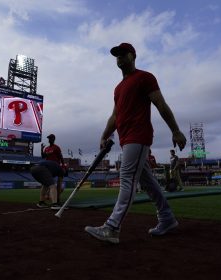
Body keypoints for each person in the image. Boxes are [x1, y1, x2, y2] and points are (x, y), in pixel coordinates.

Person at [84, 42, 187, 244]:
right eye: (117, 55)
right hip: (126, 138)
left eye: (123, 54)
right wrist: (105, 135)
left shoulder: (145, 77)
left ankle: (112, 227)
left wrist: (175, 130)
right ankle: (167, 218)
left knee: (127, 177)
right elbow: (115, 116)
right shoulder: (118, 88)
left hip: (138, 136)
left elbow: (160, 103)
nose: (119, 57)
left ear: (133, 56)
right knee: (147, 182)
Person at [41, 134, 65, 203]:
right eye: (48, 138)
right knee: (47, 183)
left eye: (50, 138)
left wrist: (63, 166)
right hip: (49, 167)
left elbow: (61, 157)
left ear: (54, 139)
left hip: (56, 167)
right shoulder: (47, 148)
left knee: (59, 183)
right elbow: (43, 157)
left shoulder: (56, 147)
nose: (49, 139)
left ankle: (58, 199)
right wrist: (41, 149)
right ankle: (45, 198)